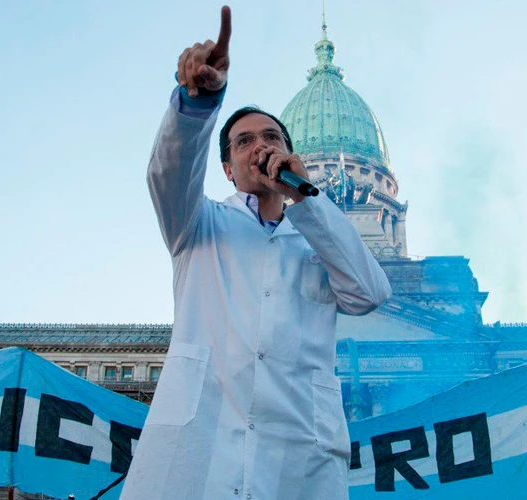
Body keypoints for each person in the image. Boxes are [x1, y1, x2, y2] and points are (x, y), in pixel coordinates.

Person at [120, 6, 391, 499]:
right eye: (243, 141)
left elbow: (370, 293)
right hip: (200, 455)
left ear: (291, 154)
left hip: (298, 458)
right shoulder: (196, 225)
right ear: (227, 168)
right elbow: (167, 174)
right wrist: (199, 103)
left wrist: (307, 199)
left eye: (271, 137)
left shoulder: (317, 236)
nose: (259, 147)